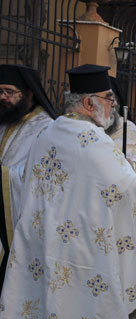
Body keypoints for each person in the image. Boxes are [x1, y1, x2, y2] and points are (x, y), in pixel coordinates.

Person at [0, 64, 136, 319]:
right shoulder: (93, 139)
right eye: (108, 97)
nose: (113, 103)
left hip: (40, 247)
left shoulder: (49, 131)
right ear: (90, 103)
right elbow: (127, 189)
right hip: (80, 254)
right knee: (75, 317)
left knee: (44, 311)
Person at [0, 64, 57, 293]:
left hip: (19, 220)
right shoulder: (3, 120)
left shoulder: (47, 129)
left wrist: (4, 175)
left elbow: (43, 176)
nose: (2, 97)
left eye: (9, 92)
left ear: (29, 94)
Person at [105, 77, 136, 177]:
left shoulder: (128, 129)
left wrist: (129, 165)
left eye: (114, 99)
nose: (113, 103)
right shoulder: (85, 127)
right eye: (107, 99)